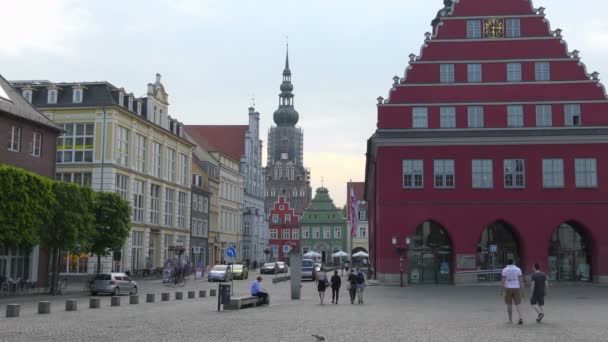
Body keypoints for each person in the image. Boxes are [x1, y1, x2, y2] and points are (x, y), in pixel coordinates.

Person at [501, 259, 524, 325]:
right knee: (518, 304)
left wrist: (501, 290)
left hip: (508, 287)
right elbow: (521, 280)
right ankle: (520, 317)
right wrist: (522, 290)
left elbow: (503, 280)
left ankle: (510, 320)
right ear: (513, 262)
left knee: (509, 304)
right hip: (516, 287)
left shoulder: (505, 270)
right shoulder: (518, 269)